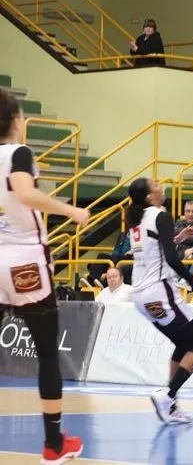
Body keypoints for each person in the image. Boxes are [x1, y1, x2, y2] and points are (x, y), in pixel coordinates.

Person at [0, 90, 88, 462]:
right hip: (23, 258)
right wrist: (70, 210)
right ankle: (54, 443)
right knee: (47, 351)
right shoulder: (17, 153)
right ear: (16, 121)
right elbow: (24, 192)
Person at [126, 178, 193, 425]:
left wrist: (178, 236)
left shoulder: (136, 219)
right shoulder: (160, 215)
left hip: (141, 296)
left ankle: (171, 404)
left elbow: (155, 248)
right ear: (149, 196)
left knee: (183, 343)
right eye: (156, 185)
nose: (161, 187)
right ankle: (168, 395)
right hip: (159, 291)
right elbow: (172, 260)